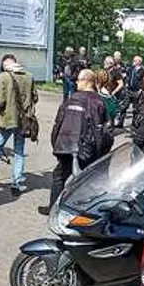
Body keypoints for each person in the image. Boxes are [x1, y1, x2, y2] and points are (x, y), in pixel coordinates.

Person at [42, 69, 107, 215]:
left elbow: (58, 123)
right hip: (88, 148)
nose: (76, 82)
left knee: (60, 176)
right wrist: (100, 150)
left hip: (67, 145)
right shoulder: (99, 102)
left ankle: (54, 209)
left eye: (78, 80)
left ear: (86, 81)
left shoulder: (72, 100)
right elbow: (104, 128)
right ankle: (83, 210)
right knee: (87, 179)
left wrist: (56, 144)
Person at [0, 54, 36, 192]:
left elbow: (0, 102)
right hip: (24, 121)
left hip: (7, 120)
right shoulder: (29, 76)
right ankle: (16, 183)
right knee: (19, 151)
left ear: (4, 65)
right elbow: (35, 97)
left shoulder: (3, 77)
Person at [116, 55, 144, 128]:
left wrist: (141, 89)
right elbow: (125, 75)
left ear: (139, 61)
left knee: (136, 108)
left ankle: (134, 123)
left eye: (135, 60)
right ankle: (120, 123)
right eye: (133, 60)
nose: (134, 61)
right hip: (129, 90)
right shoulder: (131, 69)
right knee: (124, 106)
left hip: (137, 91)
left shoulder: (143, 70)